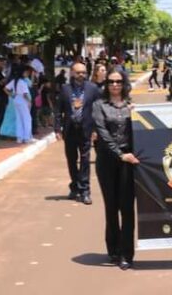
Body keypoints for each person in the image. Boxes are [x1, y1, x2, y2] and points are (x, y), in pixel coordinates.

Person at [93, 69, 137, 270]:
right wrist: (120, 154)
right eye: (111, 81)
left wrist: (138, 116)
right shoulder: (99, 106)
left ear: (124, 83)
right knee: (111, 207)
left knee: (127, 209)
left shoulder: (132, 106)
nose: (115, 85)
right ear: (106, 84)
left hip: (129, 162)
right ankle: (114, 249)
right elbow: (103, 134)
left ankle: (127, 254)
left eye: (118, 81)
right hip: (107, 161)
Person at [54, 63, 102, 204]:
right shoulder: (65, 89)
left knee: (85, 159)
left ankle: (85, 190)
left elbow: (98, 110)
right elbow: (58, 110)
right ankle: (75, 186)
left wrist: (96, 129)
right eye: (78, 72)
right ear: (72, 73)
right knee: (71, 159)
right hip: (70, 130)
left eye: (83, 72)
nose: (81, 75)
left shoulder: (92, 89)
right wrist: (57, 129)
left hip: (86, 129)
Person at [3, 66, 33, 143]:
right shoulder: (23, 82)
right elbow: (25, 94)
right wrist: (29, 101)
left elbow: (5, 89)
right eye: (26, 72)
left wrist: (12, 95)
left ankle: (19, 138)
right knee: (27, 118)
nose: (27, 73)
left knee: (19, 119)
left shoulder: (14, 81)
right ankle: (27, 137)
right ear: (22, 73)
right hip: (23, 100)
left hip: (16, 99)